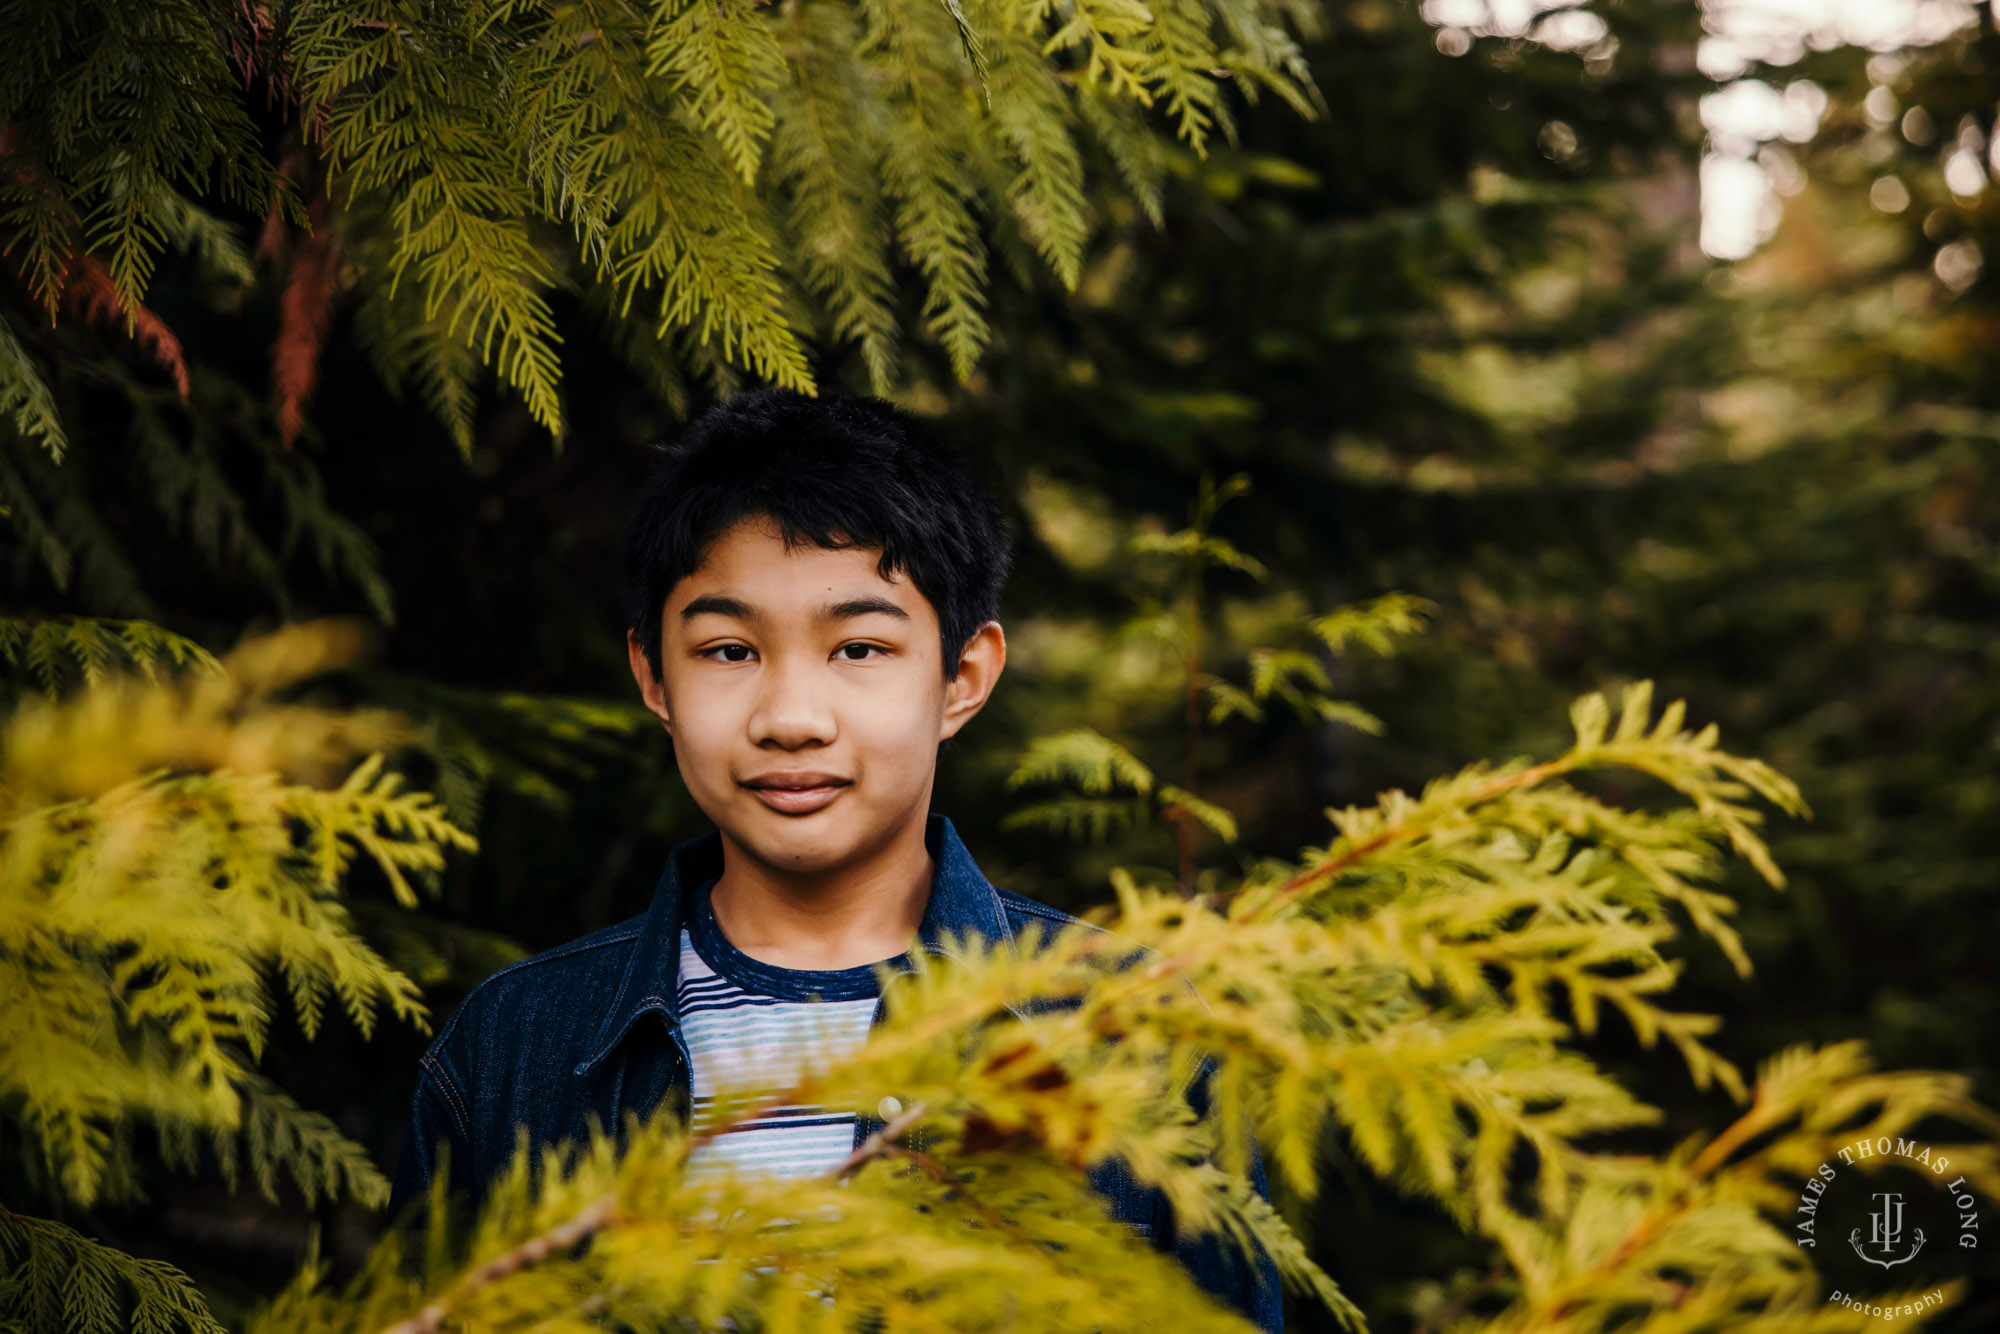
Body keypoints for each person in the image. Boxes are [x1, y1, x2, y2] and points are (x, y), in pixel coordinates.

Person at [387, 388, 1284, 1331]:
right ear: (654, 676)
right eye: (729, 651)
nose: (791, 720)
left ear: (961, 679)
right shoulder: (514, 1049)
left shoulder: (1136, 1038)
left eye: (858, 647)